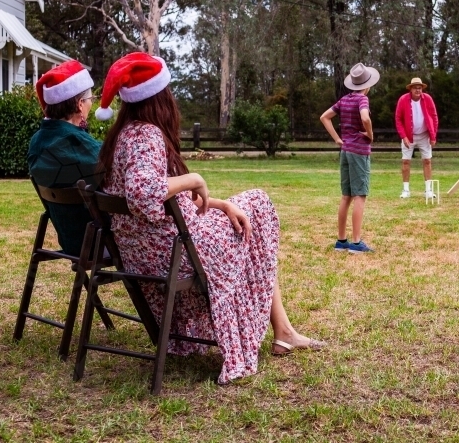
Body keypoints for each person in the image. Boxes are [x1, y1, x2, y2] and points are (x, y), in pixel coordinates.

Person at [94, 52, 322, 385]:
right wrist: (194, 179)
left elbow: (164, 198)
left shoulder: (125, 134)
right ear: (158, 96)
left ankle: (285, 331)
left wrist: (218, 204)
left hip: (152, 252)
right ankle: (284, 331)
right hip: (177, 255)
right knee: (258, 205)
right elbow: (143, 192)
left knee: (244, 211)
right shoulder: (146, 135)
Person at [27, 60, 101, 256]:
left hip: (71, 241)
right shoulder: (74, 143)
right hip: (100, 242)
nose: (92, 104)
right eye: (90, 98)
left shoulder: (38, 141)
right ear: (79, 104)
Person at [319, 63, 379, 253]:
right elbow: (366, 118)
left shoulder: (344, 100)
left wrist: (337, 139)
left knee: (346, 196)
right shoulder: (362, 100)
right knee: (360, 195)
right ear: (367, 84)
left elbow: (324, 117)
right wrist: (370, 134)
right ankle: (356, 243)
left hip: (345, 151)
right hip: (359, 152)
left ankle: (341, 240)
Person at [394, 77, 439, 199]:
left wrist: (433, 135)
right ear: (411, 89)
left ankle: (428, 190)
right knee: (406, 161)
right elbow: (398, 119)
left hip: (425, 135)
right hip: (409, 135)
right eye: (415, 88)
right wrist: (404, 136)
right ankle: (406, 190)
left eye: (420, 88)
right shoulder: (403, 100)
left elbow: (434, 117)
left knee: (427, 160)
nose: (418, 90)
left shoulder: (428, 99)